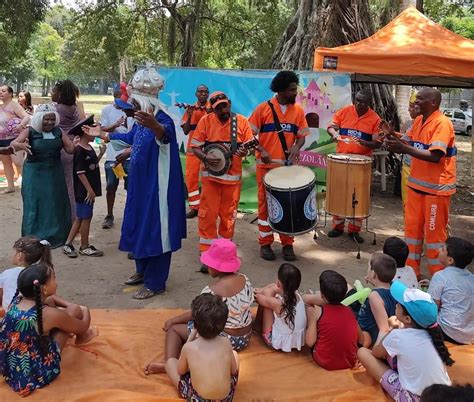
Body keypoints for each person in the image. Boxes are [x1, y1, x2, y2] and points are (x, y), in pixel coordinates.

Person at [87, 66, 186, 299]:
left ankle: (156, 282)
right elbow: (130, 138)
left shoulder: (162, 120)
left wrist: (156, 126)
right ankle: (142, 271)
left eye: (135, 102)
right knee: (139, 225)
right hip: (140, 186)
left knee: (156, 230)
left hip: (157, 189)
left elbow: (165, 135)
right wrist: (102, 134)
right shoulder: (141, 122)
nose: (132, 107)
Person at [381, 88, 456, 276]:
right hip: (415, 188)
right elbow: (406, 144)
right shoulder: (419, 121)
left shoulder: (442, 123)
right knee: (412, 235)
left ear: (433, 103)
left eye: (420, 99)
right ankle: (411, 275)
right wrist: (391, 135)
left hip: (435, 193)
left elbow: (435, 156)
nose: (416, 102)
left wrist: (403, 149)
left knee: (434, 239)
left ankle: (438, 279)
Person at [0, 262, 98, 396]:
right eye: (54, 278)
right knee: (75, 311)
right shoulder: (49, 314)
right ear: (44, 289)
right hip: (37, 372)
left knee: (57, 308)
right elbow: (82, 326)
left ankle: (68, 326)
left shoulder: (17, 300)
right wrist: (85, 310)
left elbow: (50, 299)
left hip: (9, 367)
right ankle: (83, 337)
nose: (56, 281)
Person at [147, 239, 254, 360]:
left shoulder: (212, 291)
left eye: (209, 264)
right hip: (245, 337)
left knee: (174, 331)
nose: (207, 266)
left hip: (226, 340)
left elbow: (196, 314)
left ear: (217, 267)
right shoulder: (245, 279)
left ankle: (169, 362)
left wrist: (173, 321)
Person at [248, 71, 309, 261]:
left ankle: (287, 245)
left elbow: (301, 137)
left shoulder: (298, 111)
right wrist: (262, 149)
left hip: (287, 170)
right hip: (265, 169)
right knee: (265, 207)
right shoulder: (262, 109)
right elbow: (249, 136)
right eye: (292, 90)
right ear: (281, 90)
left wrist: (297, 148)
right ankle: (265, 244)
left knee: (288, 206)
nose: (295, 93)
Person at [358, 281, 453, 402]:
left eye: (399, 304)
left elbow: (376, 353)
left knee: (363, 353)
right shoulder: (433, 335)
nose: (396, 304)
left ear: (407, 319)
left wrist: (389, 332)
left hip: (413, 398)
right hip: (444, 396)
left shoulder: (397, 336)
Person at [191, 91, 253, 269]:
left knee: (228, 218)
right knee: (207, 215)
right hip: (211, 178)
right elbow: (195, 147)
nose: (223, 110)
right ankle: (206, 254)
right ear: (213, 109)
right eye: (218, 108)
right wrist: (205, 157)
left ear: (230, 103)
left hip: (232, 180)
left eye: (225, 105)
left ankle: (224, 253)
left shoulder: (241, 122)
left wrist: (244, 151)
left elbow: (249, 146)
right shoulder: (206, 121)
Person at [144, 293, 240, 401]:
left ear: (194, 325)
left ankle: (165, 368)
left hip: (197, 398)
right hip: (226, 398)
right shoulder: (226, 342)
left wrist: (190, 338)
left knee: (170, 362)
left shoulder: (189, 348)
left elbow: (181, 371)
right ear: (223, 325)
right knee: (235, 354)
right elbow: (232, 371)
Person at [12, 103, 74, 248]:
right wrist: (20, 145)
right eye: (46, 119)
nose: (50, 122)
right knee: (35, 202)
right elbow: (14, 143)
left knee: (54, 202)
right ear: (39, 119)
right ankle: (33, 237)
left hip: (54, 172)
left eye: (52, 119)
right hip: (34, 172)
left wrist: (75, 143)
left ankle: (57, 235)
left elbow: (70, 150)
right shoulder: (30, 131)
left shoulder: (59, 132)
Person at [327, 89, 382, 243]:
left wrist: (364, 143)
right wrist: (335, 135)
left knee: (357, 197)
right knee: (340, 193)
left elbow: (377, 143)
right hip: (341, 160)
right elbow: (331, 127)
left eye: (363, 102)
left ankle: (354, 230)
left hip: (362, 163)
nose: (360, 104)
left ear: (369, 103)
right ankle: (337, 226)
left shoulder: (375, 119)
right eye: (357, 100)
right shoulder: (344, 112)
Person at [304, 270, 363, 370]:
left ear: (322, 295)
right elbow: (361, 340)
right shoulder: (350, 311)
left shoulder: (318, 312)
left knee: (309, 308)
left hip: (324, 361)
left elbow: (310, 342)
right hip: (349, 361)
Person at [62, 123, 103, 258]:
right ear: (85, 132)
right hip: (84, 190)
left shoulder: (88, 147)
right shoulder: (79, 150)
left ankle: (68, 244)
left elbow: (90, 165)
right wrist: (89, 190)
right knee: (86, 217)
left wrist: (100, 154)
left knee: (80, 217)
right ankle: (84, 246)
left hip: (87, 189)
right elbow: (80, 172)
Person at [428, 237, 474, 344]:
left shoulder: (440, 276)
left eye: (443, 249)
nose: (439, 250)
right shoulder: (472, 278)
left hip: (447, 331)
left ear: (450, 260)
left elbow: (432, 308)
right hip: (470, 335)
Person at [99, 90, 134, 230]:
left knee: (131, 187)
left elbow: (132, 136)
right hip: (113, 155)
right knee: (110, 186)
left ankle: (129, 215)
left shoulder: (131, 111)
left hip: (130, 155)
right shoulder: (107, 110)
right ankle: (109, 215)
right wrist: (116, 124)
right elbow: (103, 130)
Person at [253, 263, 306, 352]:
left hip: (277, 342)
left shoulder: (277, 303)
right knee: (269, 291)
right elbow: (275, 287)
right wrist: (263, 289)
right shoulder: (299, 297)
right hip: (295, 341)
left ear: (278, 282)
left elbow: (258, 299)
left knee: (267, 294)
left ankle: (257, 327)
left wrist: (260, 291)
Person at [52, 79, 83, 220]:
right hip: (75, 147)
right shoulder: (74, 108)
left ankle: (71, 218)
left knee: (66, 185)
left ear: (60, 94)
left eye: (54, 91)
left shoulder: (58, 110)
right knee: (73, 184)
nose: (51, 94)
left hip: (63, 150)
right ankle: (75, 215)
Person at [181, 84, 210, 219]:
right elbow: (186, 131)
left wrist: (210, 113)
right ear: (196, 94)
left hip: (210, 151)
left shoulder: (214, 108)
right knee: (191, 179)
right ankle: (194, 207)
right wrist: (191, 114)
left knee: (208, 179)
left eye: (205, 92)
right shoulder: (190, 109)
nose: (203, 94)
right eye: (200, 92)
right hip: (193, 150)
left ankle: (207, 207)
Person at [0, 236, 52, 311]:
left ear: (19, 255)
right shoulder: (39, 274)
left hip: (9, 312)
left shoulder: (7, 274)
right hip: (33, 312)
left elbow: (1, 295)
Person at [358, 253, 397, 347]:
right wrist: (374, 282)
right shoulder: (394, 288)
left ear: (373, 273)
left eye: (368, 267)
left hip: (369, 333)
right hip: (371, 328)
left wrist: (376, 352)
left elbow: (384, 328)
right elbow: (384, 292)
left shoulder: (374, 296)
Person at [0, 85, 30, 193]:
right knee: (6, 162)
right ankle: (10, 186)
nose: (1, 93)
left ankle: (27, 184)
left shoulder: (14, 106)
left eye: (3, 91)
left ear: (10, 93)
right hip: (1, 139)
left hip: (14, 138)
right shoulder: (1, 107)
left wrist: (21, 125)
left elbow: (26, 117)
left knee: (18, 162)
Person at [400, 90, 420, 210]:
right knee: (408, 205)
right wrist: (390, 134)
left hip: (423, 172)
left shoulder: (438, 124)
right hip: (407, 167)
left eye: (412, 106)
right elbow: (404, 142)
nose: (409, 109)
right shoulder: (410, 124)